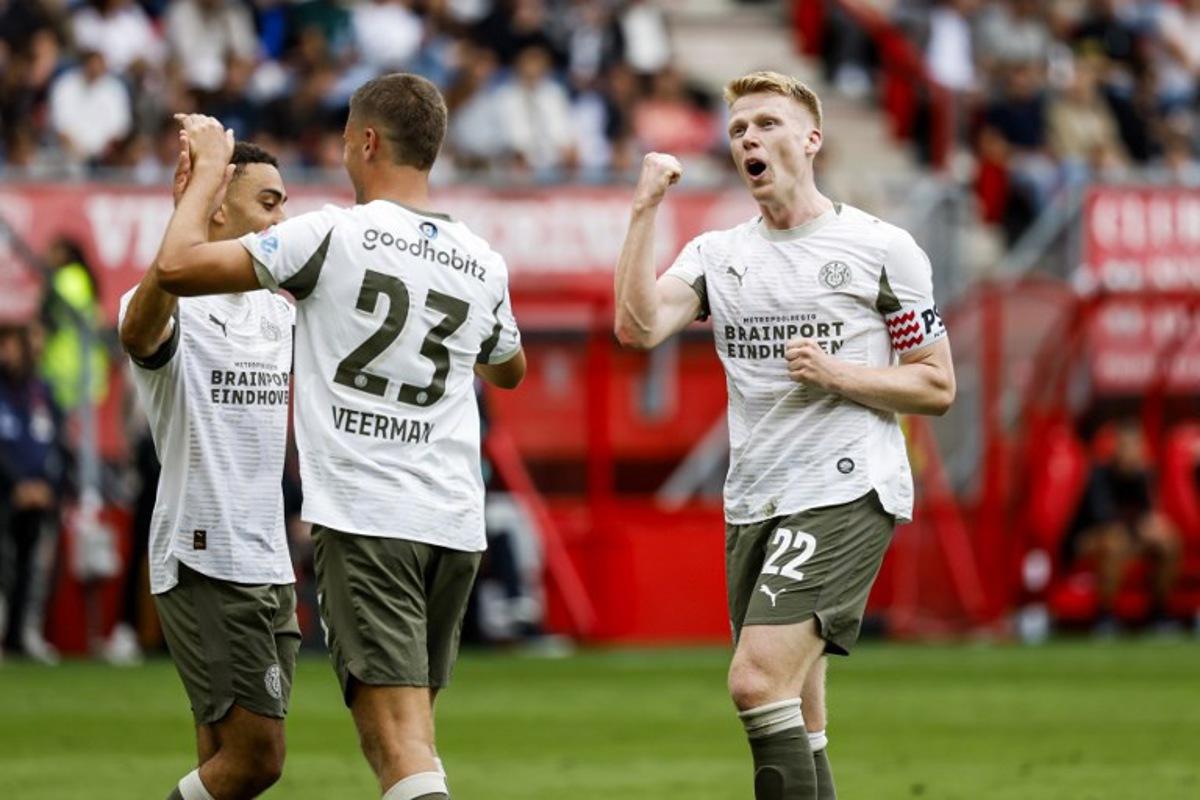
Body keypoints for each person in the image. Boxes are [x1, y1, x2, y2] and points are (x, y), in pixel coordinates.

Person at [152, 72, 526, 800]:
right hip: (454, 523)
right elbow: (508, 369)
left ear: (367, 140)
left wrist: (200, 181)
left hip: (370, 519)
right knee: (414, 738)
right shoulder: (483, 259)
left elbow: (176, 268)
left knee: (400, 752)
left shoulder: (331, 234)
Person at [613, 70, 955, 800]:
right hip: (755, 500)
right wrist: (645, 209)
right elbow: (638, 327)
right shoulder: (716, 254)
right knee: (797, 705)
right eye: (738, 130)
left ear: (811, 139)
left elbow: (936, 384)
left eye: (766, 124)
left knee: (755, 679)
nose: (748, 139)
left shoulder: (880, 248)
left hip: (846, 484)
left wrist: (839, 374)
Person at [118, 131, 297, 800]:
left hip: (266, 554)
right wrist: (190, 201)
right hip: (205, 553)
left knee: (222, 754)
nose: (281, 219)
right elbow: (139, 332)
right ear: (218, 209)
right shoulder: (176, 306)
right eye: (269, 202)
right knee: (259, 759)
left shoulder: (279, 312)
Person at [1064, 419, 1183, 635]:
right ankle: (1105, 616)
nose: (1135, 452)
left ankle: (1159, 614)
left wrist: (1153, 528)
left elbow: (1147, 516)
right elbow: (1103, 518)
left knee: (1168, 540)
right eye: (1129, 446)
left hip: (1130, 535)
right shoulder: (1098, 474)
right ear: (1117, 449)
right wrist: (1139, 527)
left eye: (1138, 446)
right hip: (1090, 538)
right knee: (1114, 541)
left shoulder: (1143, 476)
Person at [0, 320, 68, 665]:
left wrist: (46, 485)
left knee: (32, 569)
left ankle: (22, 636)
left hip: (39, 497)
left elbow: (56, 444)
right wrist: (15, 485)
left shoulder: (42, 392)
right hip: (6, 495)